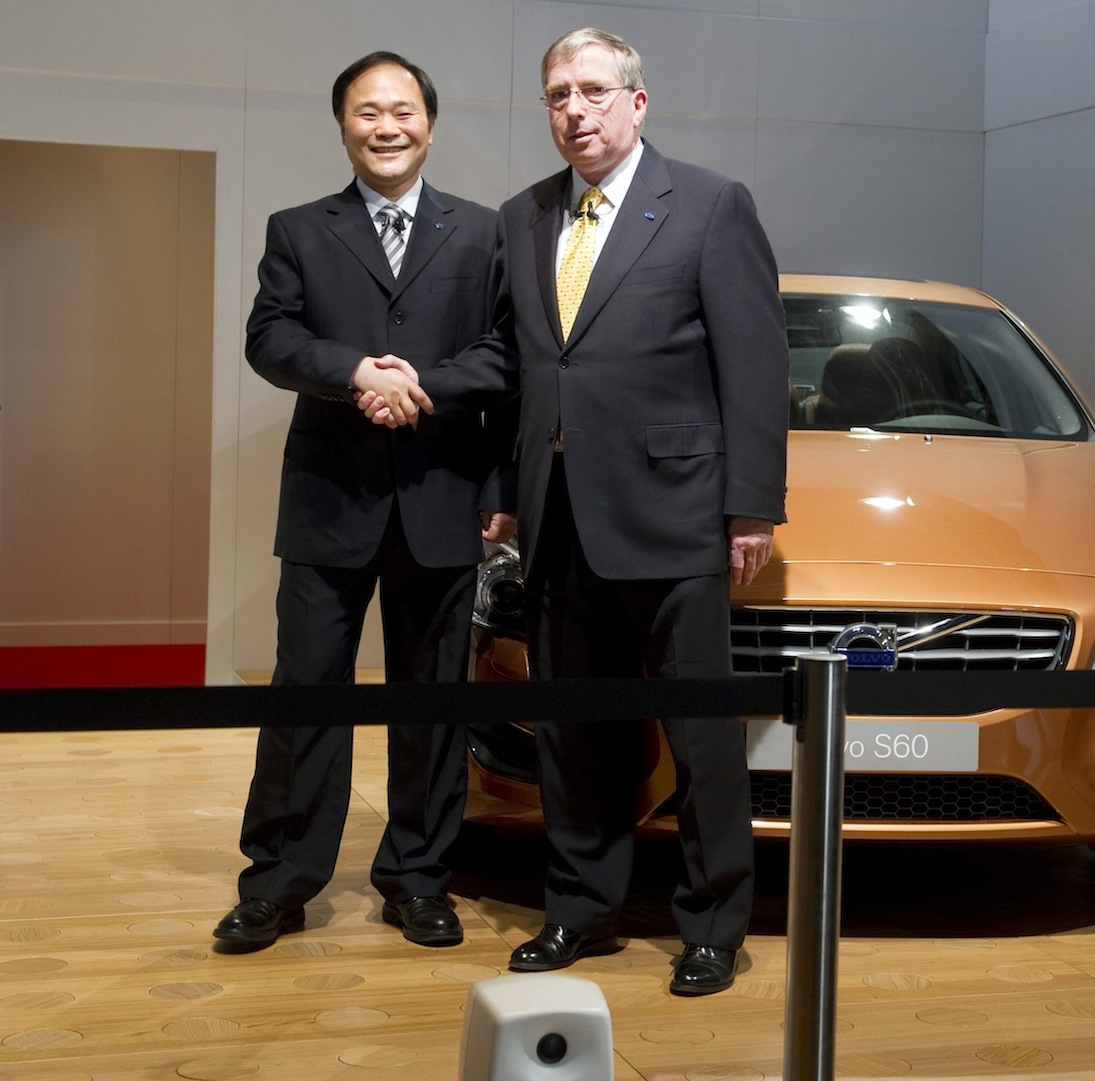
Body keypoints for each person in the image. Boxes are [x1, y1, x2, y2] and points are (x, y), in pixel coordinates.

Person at [369, 27, 789, 994]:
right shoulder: (523, 217)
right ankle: (581, 909)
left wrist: (750, 509)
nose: (575, 110)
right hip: (557, 523)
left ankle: (714, 923)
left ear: (637, 104)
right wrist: (497, 482)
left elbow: (755, 369)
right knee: (572, 732)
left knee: (699, 737)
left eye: (594, 91)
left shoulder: (711, 205)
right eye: (558, 95)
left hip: (678, 517)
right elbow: (520, 370)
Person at [214, 51, 515, 954]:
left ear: (430, 121)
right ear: (342, 124)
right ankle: (279, 882)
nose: (386, 127)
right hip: (328, 500)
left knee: (433, 701)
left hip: (443, 497)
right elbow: (270, 339)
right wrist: (354, 373)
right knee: (305, 692)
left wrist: (415, 383)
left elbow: (509, 353)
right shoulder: (300, 228)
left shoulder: (487, 232)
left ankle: (418, 879)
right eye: (366, 112)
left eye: (402, 111)